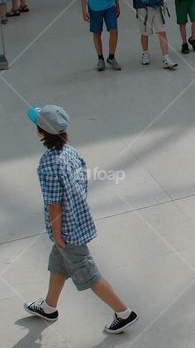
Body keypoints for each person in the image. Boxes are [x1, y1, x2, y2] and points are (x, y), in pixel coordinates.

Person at [22, 105, 139, 333]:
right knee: (58, 264)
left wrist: (57, 235)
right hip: (79, 221)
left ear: (41, 133)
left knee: (89, 273)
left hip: (66, 231)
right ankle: (49, 307)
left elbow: (54, 204)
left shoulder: (48, 164)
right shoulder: (70, 151)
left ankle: (124, 313)